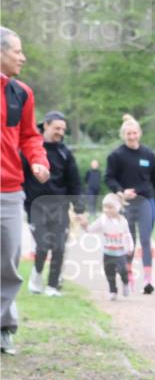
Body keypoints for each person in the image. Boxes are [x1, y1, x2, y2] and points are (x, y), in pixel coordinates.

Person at [1, 26, 51, 355]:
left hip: (8, 190)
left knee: (7, 262)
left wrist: (37, 159)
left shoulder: (22, 93)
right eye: (17, 50)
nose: (23, 56)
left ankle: (3, 327)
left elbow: (30, 136)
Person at [22, 111, 87, 297]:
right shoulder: (31, 150)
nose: (60, 132)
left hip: (59, 207)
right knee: (42, 246)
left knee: (58, 247)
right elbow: (22, 178)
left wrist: (79, 209)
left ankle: (52, 287)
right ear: (46, 126)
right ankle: (36, 276)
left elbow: (74, 182)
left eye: (63, 129)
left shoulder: (65, 153)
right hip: (36, 207)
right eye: (57, 128)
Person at [105, 114, 155, 294]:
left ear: (139, 133)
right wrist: (121, 191)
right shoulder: (116, 155)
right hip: (126, 203)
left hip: (146, 200)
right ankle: (129, 277)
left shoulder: (148, 154)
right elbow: (108, 177)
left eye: (134, 133)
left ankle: (147, 280)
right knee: (129, 241)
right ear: (123, 135)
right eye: (128, 134)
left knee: (146, 239)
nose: (132, 136)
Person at [82, 193, 134, 301]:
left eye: (110, 207)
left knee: (123, 270)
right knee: (109, 273)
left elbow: (128, 235)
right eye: (104, 207)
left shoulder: (123, 221)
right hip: (107, 253)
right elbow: (90, 229)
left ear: (117, 208)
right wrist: (85, 225)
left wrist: (130, 248)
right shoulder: (102, 220)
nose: (106, 210)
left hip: (120, 252)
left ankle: (125, 283)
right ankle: (113, 291)